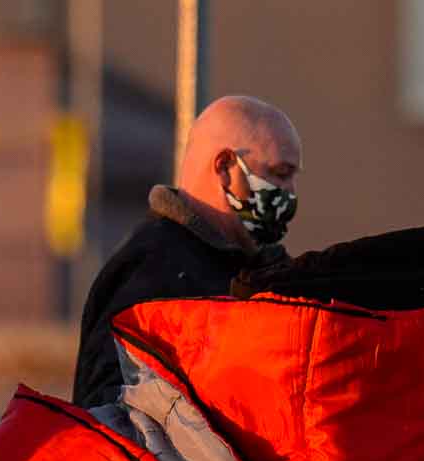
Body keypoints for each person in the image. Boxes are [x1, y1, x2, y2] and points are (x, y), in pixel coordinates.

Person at [71, 95, 301, 409]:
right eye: (280, 173)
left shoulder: (264, 270)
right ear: (224, 167)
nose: (290, 192)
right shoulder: (152, 271)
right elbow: (109, 411)